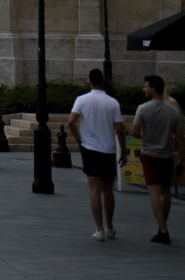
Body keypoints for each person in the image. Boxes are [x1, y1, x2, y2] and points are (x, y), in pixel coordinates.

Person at [68, 68, 127, 241]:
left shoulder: (82, 100)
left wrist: (80, 140)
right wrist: (123, 150)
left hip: (90, 148)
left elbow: (71, 122)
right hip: (108, 148)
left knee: (94, 188)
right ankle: (110, 226)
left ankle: (99, 229)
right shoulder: (113, 102)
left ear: (89, 81)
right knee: (108, 189)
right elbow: (119, 129)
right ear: (103, 81)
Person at [131, 74, 185, 245]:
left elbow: (133, 132)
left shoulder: (143, 109)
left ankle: (162, 229)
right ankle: (163, 226)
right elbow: (179, 138)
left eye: (146, 86)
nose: (144, 89)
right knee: (166, 190)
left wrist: (144, 136)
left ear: (153, 88)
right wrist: (182, 160)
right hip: (167, 154)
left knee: (153, 190)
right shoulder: (172, 111)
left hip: (149, 154)